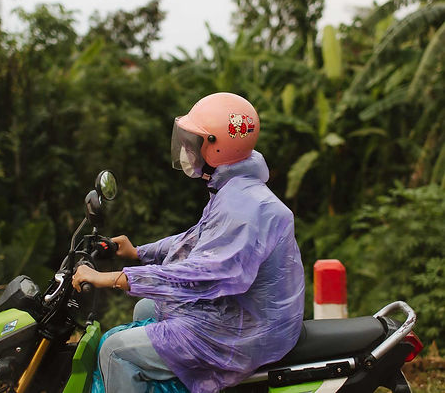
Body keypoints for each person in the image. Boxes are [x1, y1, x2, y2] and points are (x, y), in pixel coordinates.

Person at [72, 92, 305, 393]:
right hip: (241, 311)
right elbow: (197, 237)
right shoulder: (235, 188)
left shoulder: (244, 207)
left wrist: (114, 278)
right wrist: (140, 252)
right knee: (146, 309)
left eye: (192, 141)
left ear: (217, 145)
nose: (185, 149)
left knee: (115, 350)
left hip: (249, 329)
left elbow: (201, 275)